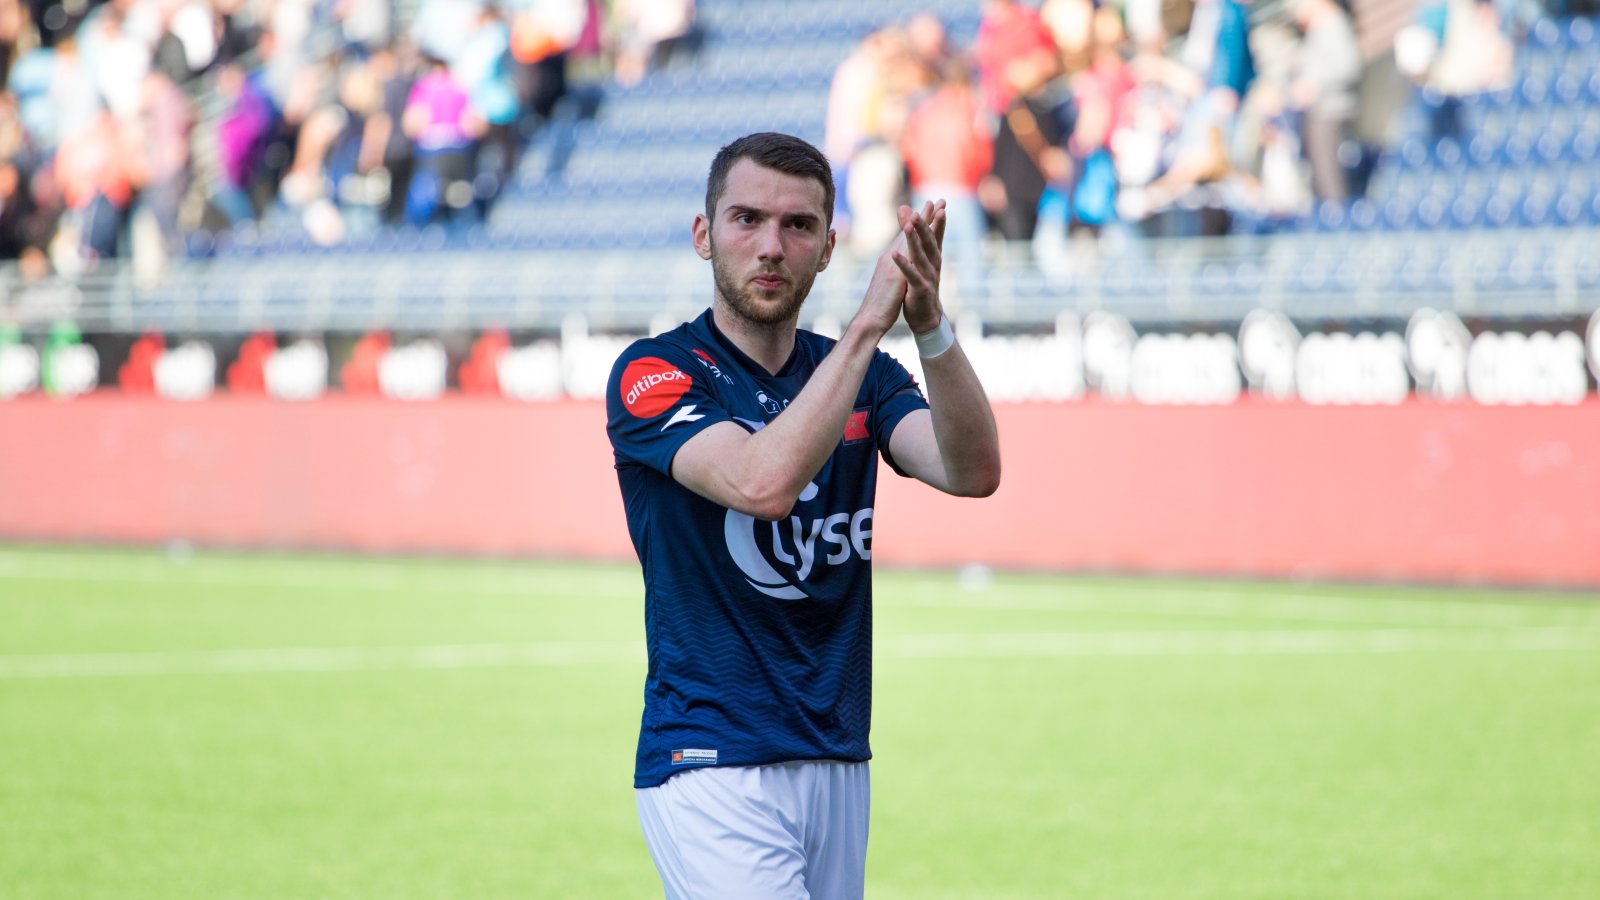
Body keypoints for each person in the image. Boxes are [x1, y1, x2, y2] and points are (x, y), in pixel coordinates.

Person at [605, 132, 1001, 899]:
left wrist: (929, 324)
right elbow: (763, 484)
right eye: (746, 219)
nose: (771, 247)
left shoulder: (867, 375)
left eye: (798, 226)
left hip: (837, 756)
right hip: (712, 760)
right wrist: (865, 327)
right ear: (703, 234)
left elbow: (972, 470)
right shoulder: (655, 373)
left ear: (826, 248)